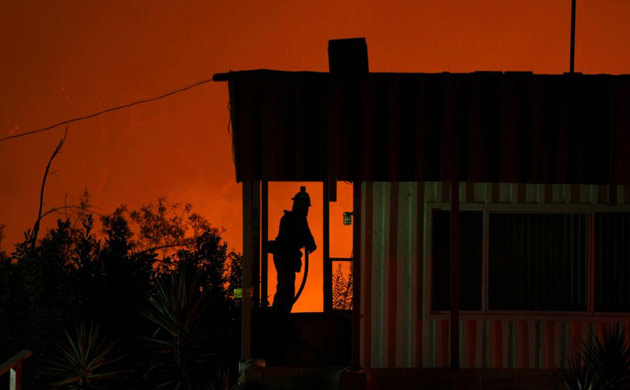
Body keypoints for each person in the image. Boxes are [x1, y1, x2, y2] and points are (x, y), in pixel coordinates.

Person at [271, 186, 316, 317]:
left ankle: (280, 313)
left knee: (285, 286)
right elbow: (309, 241)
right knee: (287, 288)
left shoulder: (287, 219)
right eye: (306, 207)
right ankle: (280, 315)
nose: (307, 210)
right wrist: (308, 244)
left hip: (284, 258)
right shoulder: (297, 221)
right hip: (287, 258)